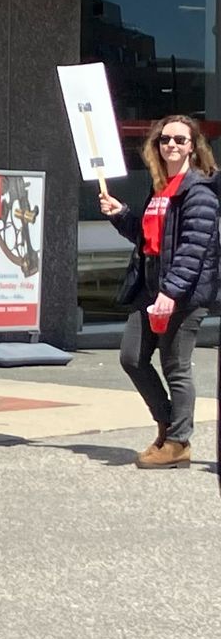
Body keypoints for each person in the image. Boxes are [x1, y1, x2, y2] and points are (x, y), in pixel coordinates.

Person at [100, 115, 219, 470]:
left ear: (193, 147)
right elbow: (149, 239)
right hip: (151, 290)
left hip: (183, 295)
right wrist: (121, 214)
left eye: (180, 140)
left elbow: (193, 248)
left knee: (175, 366)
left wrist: (171, 292)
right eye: (165, 139)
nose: (171, 145)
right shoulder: (161, 188)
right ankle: (168, 426)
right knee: (132, 358)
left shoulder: (199, 191)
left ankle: (178, 443)